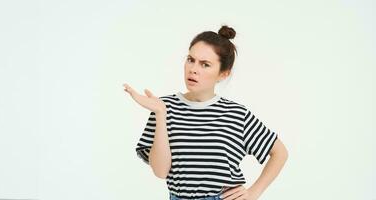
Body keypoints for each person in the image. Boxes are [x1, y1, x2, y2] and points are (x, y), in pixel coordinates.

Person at [123, 25, 288, 200]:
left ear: (223, 74)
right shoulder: (163, 107)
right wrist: (160, 113)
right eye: (190, 59)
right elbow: (161, 172)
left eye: (205, 64)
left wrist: (254, 192)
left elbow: (280, 152)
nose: (193, 69)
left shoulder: (236, 114)